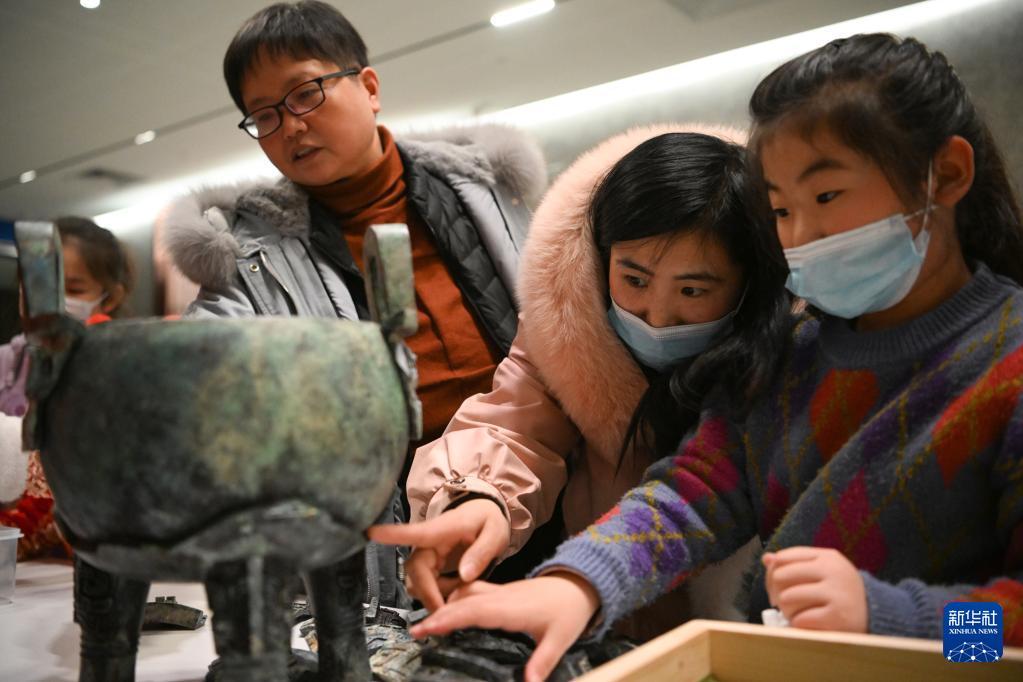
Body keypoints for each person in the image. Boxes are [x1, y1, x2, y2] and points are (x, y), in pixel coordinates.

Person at [398, 33, 1023, 682]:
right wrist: (577, 583)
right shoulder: (791, 356)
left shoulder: (1005, 362)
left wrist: (891, 622)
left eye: (826, 197)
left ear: (947, 174)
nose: (800, 238)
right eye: (780, 209)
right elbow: (689, 499)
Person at [159, 0, 545, 617]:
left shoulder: (492, 194)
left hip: (542, 491)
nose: (290, 126)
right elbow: (196, 368)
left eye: (305, 93)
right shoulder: (249, 256)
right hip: (396, 544)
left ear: (368, 87)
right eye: (264, 115)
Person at [370, 124, 791, 640]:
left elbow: (703, 500)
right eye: (634, 279)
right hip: (612, 618)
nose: (657, 315)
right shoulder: (569, 325)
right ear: (602, 254)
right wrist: (477, 500)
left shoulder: (796, 350)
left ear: (750, 282)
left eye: (692, 290)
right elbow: (514, 428)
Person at [0, 217, 134, 560]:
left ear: (110, 297)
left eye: (72, 290)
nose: (53, 303)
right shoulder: (8, 364)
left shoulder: (118, 359)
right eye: (38, 287)